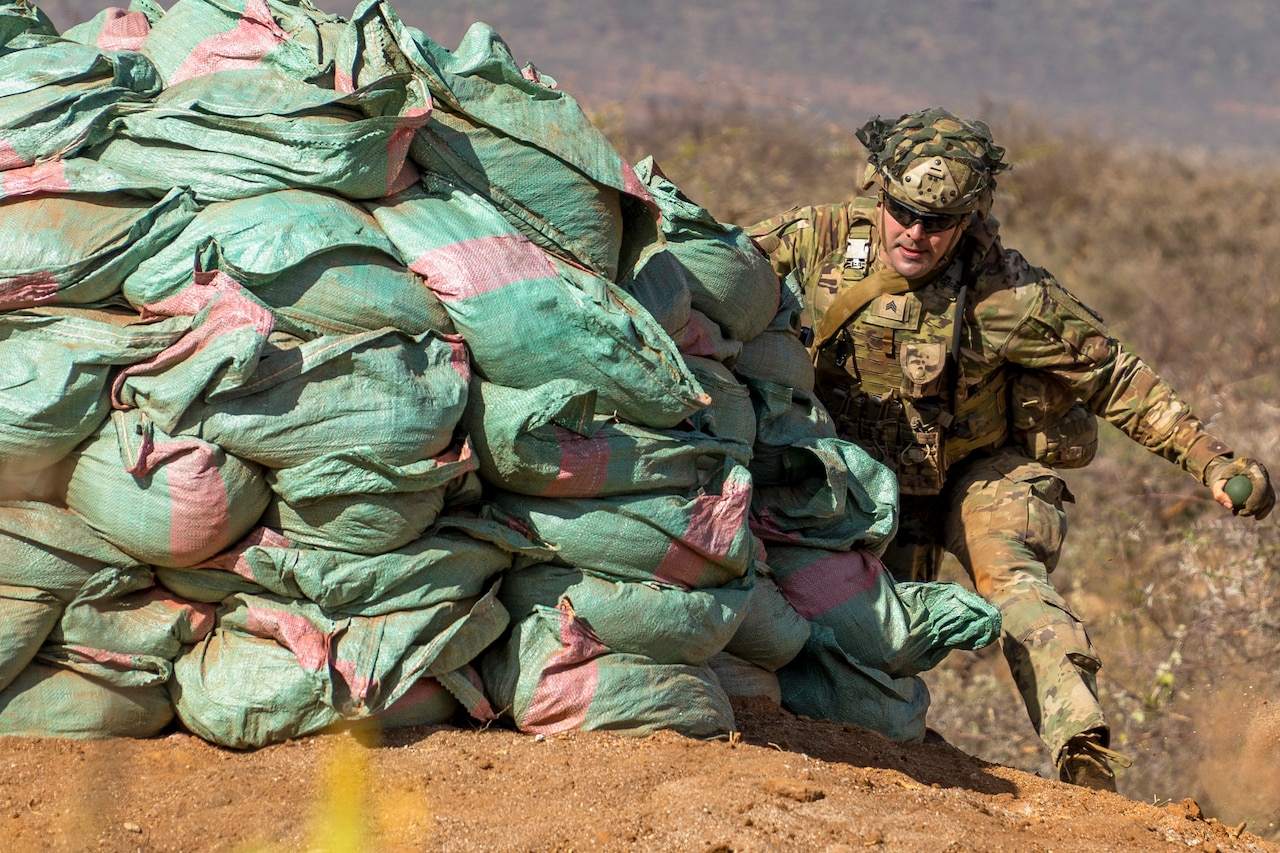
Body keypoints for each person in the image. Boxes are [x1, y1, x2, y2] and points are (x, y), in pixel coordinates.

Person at [745, 107, 1275, 792]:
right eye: (903, 211)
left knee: (1012, 582)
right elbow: (715, 275)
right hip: (862, 486)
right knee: (869, 635)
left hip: (978, 474)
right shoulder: (817, 240)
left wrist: (1211, 459)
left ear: (969, 217)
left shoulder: (1010, 295)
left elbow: (1114, 375)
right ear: (877, 190)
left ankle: (1081, 745)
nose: (916, 233)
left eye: (938, 221)